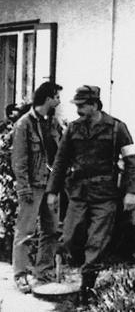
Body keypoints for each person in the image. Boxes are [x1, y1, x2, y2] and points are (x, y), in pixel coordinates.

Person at [46, 85, 135, 303]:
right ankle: (82, 267)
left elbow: (132, 162)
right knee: (69, 237)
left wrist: (131, 192)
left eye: (82, 105)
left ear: (95, 105)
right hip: (78, 192)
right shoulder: (73, 129)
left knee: (97, 242)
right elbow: (60, 161)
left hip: (105, 195)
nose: (77, 109)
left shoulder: (117, 128)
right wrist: (52, 191)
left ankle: (86, 289)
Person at [11, 82, 63, 293]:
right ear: (48, 98)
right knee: (25, 232)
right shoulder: (24, 124)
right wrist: (23, 188)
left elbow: (60, 153)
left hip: (51, 185)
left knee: (51, 230)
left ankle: (44, 271)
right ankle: (20, 275)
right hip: (32, 186)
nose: (59, 101)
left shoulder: (53, 123)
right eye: (57, 97)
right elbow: (19, 160)